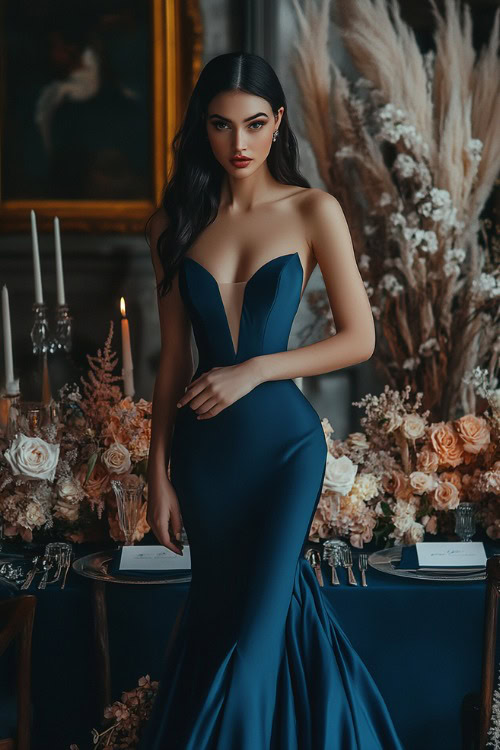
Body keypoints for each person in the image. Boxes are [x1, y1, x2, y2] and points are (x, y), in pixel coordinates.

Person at [139, 52, 404, 750]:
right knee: (229, 619)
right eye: (222, 126)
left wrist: (255, 369)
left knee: (255, 642)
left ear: (278, 121)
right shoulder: (172, 223)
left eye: (255, 124)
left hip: (285, 450)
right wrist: (155, 472)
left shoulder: (314, 209)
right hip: (203, 461)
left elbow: (359, 339)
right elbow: (172, 365)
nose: (240, 144)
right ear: (203, 127)